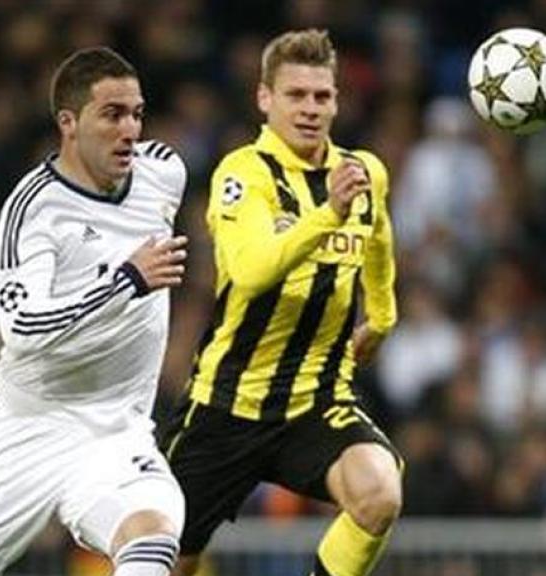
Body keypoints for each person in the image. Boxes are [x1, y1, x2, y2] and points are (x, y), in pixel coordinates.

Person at [0, 47, 190, 576]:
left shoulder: (164, 174)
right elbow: (24, 329)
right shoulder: (35, 209)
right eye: (112, 114)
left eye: (137, 113)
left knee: (154, 536)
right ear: (68, 123)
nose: (130, 130)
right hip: (25, 429)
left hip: (116, 431)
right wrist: (125, 281)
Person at [159, 29, 403, 576]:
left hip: (313, 401)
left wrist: (383, 316)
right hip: (225, 405)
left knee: (379, 491)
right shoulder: (242, 175)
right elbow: (249, 273)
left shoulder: (364, 173)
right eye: (296, 95)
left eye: (322, 96)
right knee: (171, 558)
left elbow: (380, 239)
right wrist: (326, 216)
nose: (310, 109)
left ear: (338, 101)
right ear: (264, 99)